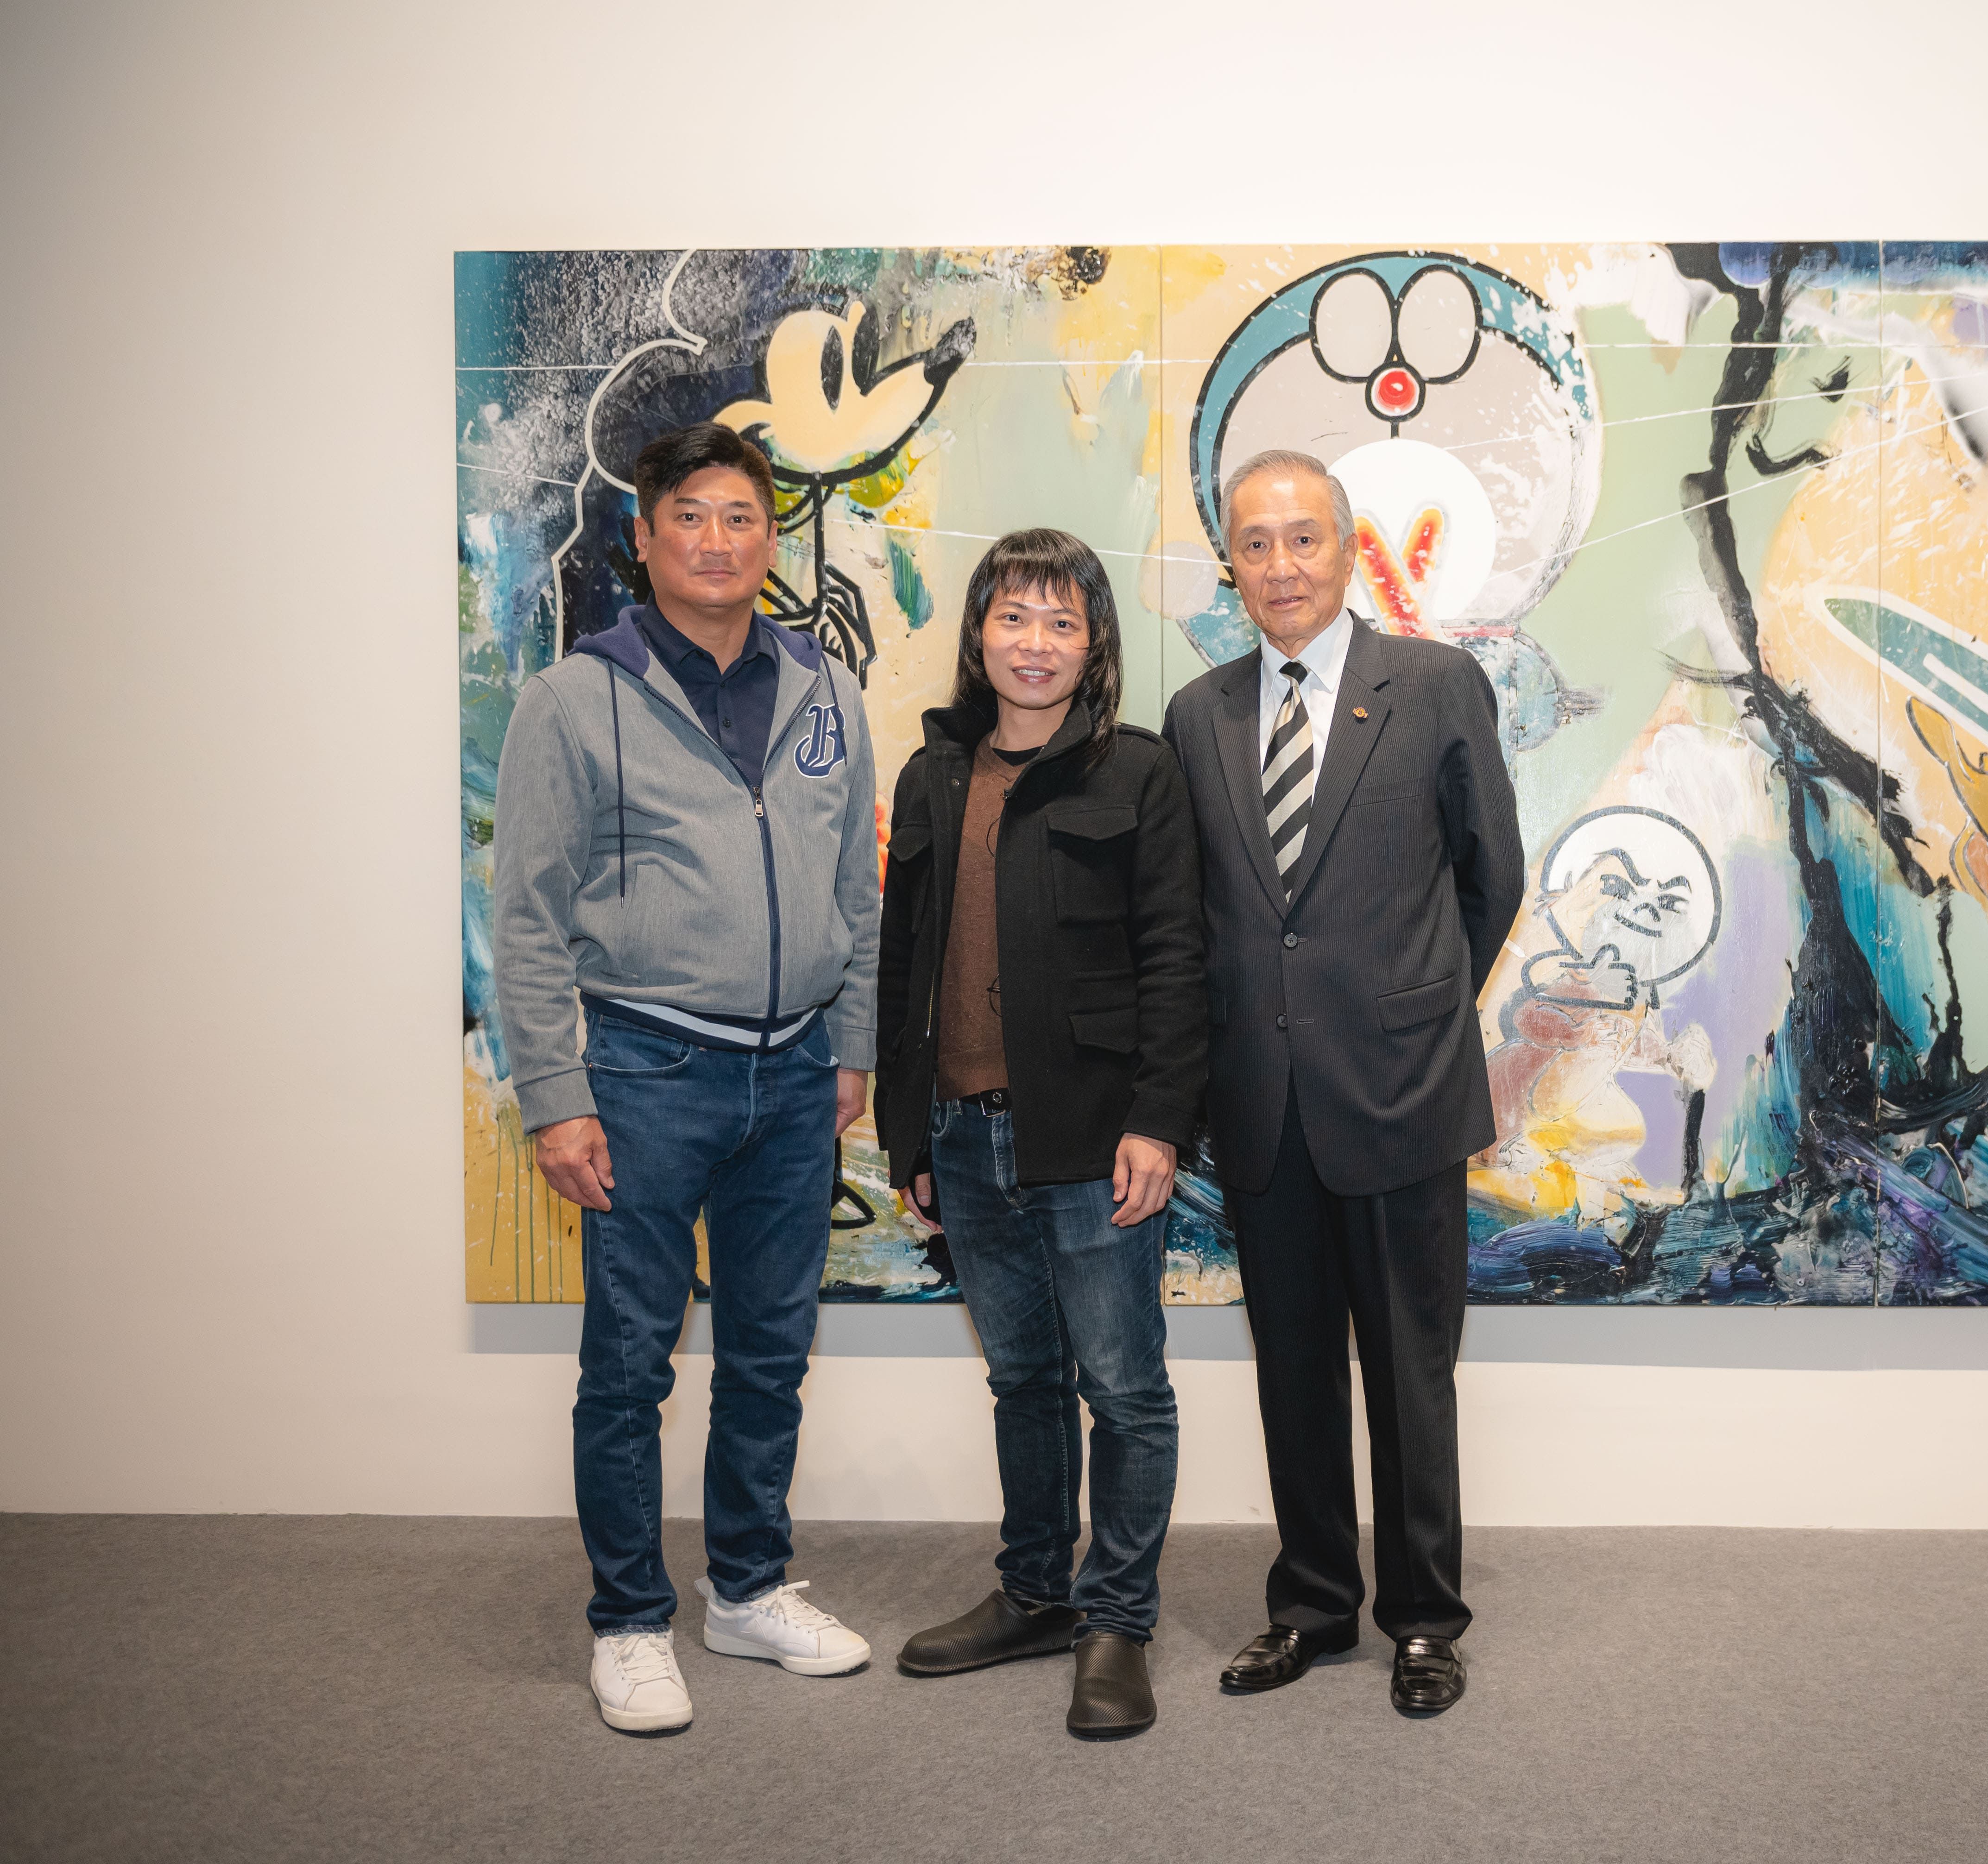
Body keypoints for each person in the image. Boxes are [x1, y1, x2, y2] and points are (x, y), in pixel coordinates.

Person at [490, 422, 881, 1735]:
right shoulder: (572, 699)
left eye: (742, 517)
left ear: (772, 537)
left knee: (770, 1355)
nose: (718, 541)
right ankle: (628, 1621)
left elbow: (858, 890)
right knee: (629, 1369)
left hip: (798, 1075)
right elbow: (527, 918)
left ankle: (748, 1590)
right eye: (691, 517)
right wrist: (557, 1097)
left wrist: (854, 1048)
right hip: (645, 1070)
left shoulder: (824, 688)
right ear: (644, 537)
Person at [1160, 449, 1523, 1716]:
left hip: (1401, 1090)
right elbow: (1203, 911)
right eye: (1255, 544)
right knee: (1294, 1370)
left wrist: (1410, 1007)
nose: (1281, 566)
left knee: (1411, 1375)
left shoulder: (1433, 685)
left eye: (1303, 538)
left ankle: (1424, 1620)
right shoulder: (1198, 714)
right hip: (1263, 1102)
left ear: (1349, 545)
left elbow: (1491, 879)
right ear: (1232, 565)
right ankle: (1312, 1604)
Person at [873, 529, 1207, 1738]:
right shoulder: (933, 775)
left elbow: (1178, 959)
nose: (1035, 643)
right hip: (961, 1135)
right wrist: (908, 1137)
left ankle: (1116, 1620)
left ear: (1093, 643)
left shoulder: (1138, 771)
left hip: (1093, 1139)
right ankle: (1033, 1593)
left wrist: (1160, 1124)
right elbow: (905, 964)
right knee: (1021, 1380)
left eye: (1062, 622)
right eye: (1014, 617)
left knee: (1123, 1390)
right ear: (980, 634)